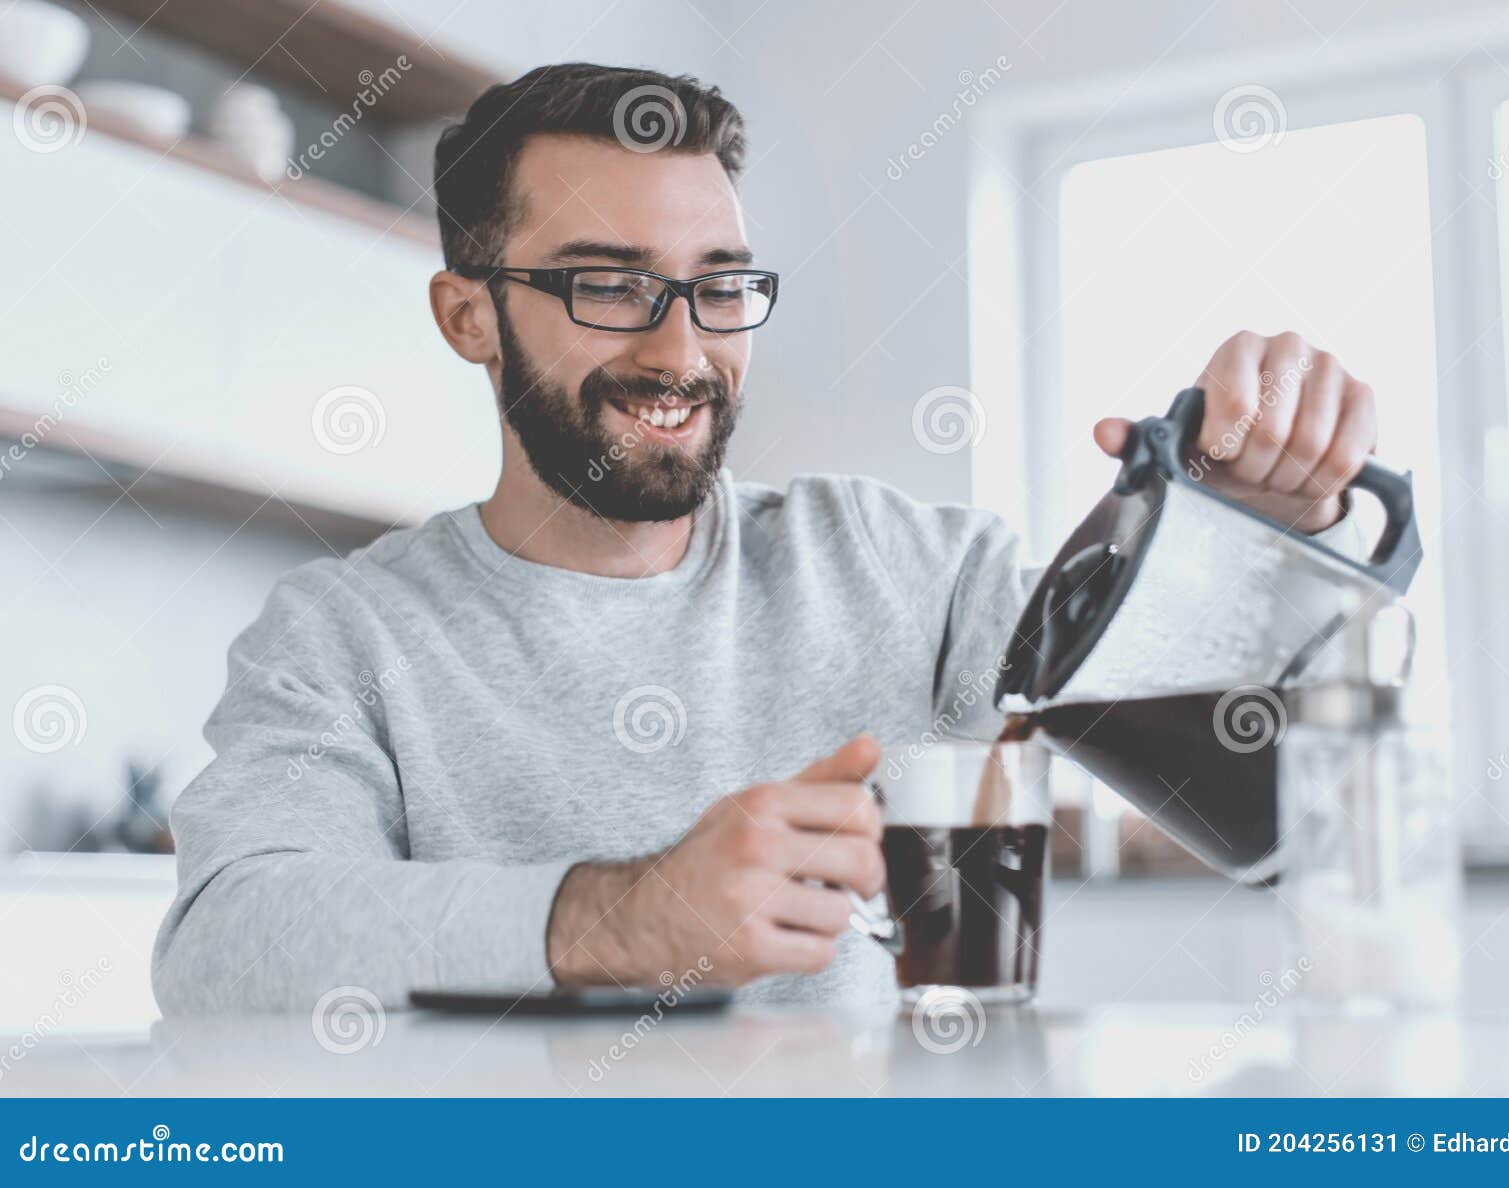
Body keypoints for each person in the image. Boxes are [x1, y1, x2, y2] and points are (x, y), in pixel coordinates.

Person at [152, 63, 1376, 1013]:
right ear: (468, 314)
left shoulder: (901, 566)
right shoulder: (343, 633)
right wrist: (624, 918)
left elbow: (1275, 797)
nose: (681, 352)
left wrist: (1262, 527)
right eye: (608, 283)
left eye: (719, 284)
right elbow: (224, 940)